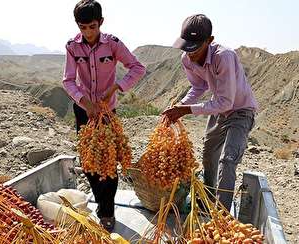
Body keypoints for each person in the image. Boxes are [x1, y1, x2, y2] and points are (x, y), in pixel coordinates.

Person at [62, 0, 146, 231]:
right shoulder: (72, 46)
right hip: (84, 110)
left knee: (109, 160)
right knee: (90, 160)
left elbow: (137, 68)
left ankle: (107, 211)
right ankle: (101, 203)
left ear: (101, 22)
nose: (88, 32)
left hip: (107, 111)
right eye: (82, 27)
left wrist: (117, 87)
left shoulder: (113, 44)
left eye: (92, 26)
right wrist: (84, 102)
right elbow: (68, 80)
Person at [163, 14, 258, 211]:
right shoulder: (187, 59)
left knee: (228, 159)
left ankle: (221, 214)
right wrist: (179, 106)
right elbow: (198, 87)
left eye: (194, 49)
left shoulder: (224, 57)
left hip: (240, 110)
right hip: (219, 109)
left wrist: (187, 110)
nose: (190, 54)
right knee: (208, 155)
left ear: (209, 41)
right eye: (186, 48)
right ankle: (207, 200)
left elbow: (226, 101)